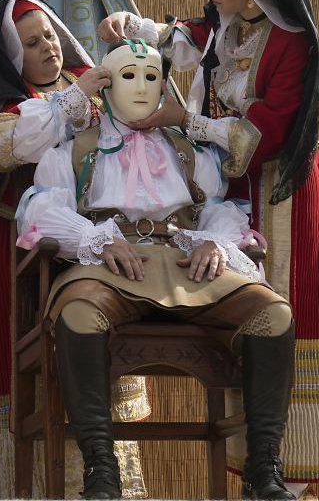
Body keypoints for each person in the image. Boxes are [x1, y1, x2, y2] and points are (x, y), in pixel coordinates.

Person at [98, 0, 319, 489]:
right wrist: (129, 26)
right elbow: (184, 33)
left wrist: (183, 120)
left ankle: (292, 472)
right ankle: (251, 464)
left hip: (277, 191)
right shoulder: (228, 22)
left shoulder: (292, 43)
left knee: (285, 303)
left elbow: (263, 135)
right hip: (231, 194)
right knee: (240, 312)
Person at [16, 40, 297, 500]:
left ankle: (263, 473)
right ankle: (101, 474)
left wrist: (217, 243)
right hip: (109, 264)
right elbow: (41, 210)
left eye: (152, 76)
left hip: (187, 260)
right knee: (79, 314)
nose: (143, 87)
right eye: (129, 75)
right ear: (105, 85)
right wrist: (98, 239)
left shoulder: (190, 151)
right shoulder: (77, 146)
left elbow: (220, 210)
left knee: (273, 315)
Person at [0, 0, 147, 496]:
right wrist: (75, 97)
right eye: (32, 43)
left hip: (97, 247)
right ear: (13, 57)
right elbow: (7, 147)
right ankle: (30, 489)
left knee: (98, 353)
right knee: (29, 365)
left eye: (51, 36)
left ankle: (103, 478)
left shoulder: (93, 94)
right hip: (20, 248)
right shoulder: (6, 110)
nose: (49, 49)